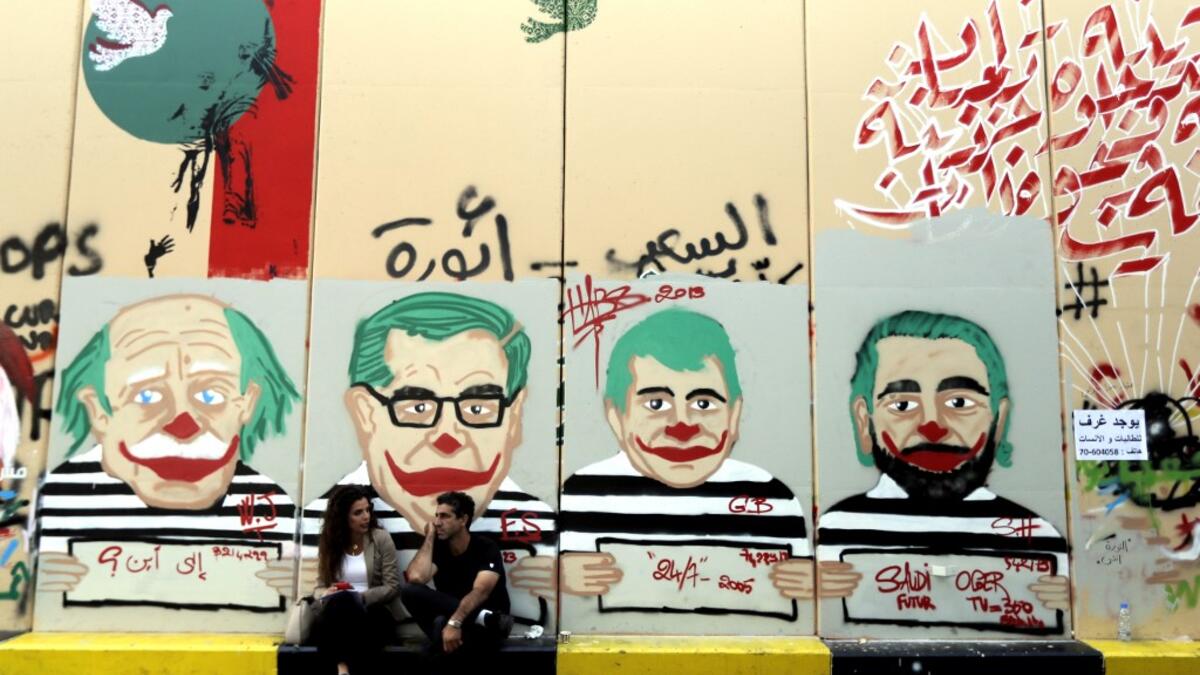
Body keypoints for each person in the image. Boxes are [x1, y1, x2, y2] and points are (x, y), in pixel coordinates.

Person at [301, 292, 556, 629]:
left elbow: (481, 588)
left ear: (514, 417)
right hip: (461, 625)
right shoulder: (318, 518)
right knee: (422, 605)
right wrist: (434, 534)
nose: (447, 438)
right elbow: (416, 579)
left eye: (478, 408)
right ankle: (474, 622)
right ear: (365, 413)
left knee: (439, 627)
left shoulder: (537, 521)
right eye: (417, 407)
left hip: (471, 631)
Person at [37, 294, 301, 609]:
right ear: (99, 411)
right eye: (148, 395)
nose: (183, 424)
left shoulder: (271, 506)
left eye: (210, 394)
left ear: (246, 404)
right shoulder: (58, 501)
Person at [816, 310, 1070, 628]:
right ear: (865, 421)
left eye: (960, 403)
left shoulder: (1036, 538)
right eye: (902, 405)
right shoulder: (834, 532)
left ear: (999, 419)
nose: (932, 426)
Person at [559, 308, 813, 611]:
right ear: (617, 417)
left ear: (734, 416)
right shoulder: (584, 495)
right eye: (656, 403)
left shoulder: (772, 499)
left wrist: (805, 584)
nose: (682, 427)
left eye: (703, 403)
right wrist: (558, 580)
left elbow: (794, 597)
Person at [401, 491, 513, 658]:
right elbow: (416, 578)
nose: (437, 522)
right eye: (436, 516)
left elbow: (480, 592)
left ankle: (483, 619)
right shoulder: (439, 547)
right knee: (409, 591)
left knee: (440, 632)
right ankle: (486, 618)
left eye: (445, 516)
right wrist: (430, 536)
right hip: (468, 622)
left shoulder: (485, 547)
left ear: (463, 520)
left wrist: (455, 622)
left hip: (485, 630)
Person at [310, 485, 400, 675]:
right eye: (358, 513)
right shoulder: (330, 544)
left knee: (345, 610)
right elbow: (319, 588)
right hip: (337, 612)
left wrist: (359, 597)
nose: (366, 516)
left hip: (372, 611)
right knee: (334, 611)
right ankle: (343, 668)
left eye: (368, 510)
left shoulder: (381, 539)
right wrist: (326, 594)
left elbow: (392, 587)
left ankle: (342, 668)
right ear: (343, 516)